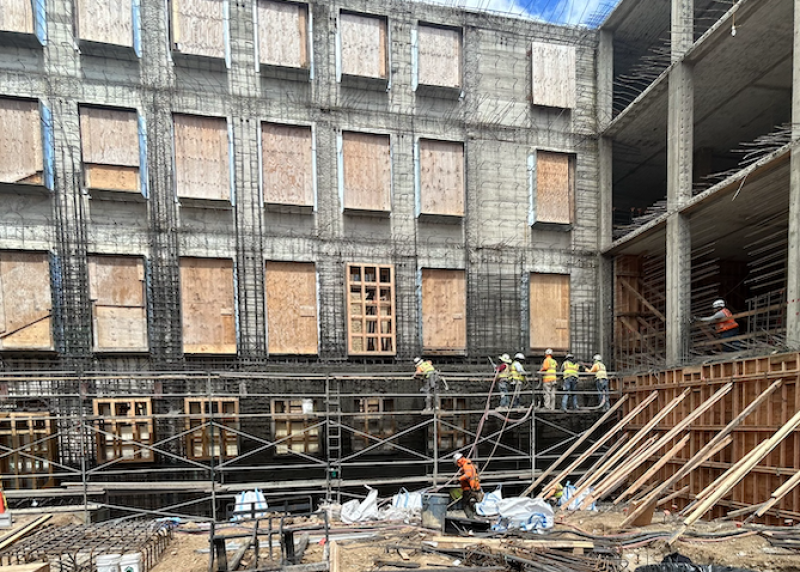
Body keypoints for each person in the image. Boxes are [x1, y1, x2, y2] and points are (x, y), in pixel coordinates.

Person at [452, 452, 483, 518]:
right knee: (472, 505)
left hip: (469, 489)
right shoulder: (470, 464)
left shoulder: (466, 465)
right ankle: (475, 517)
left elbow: (468, 475)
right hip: (475, 488)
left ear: (458, 461)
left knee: (466, 505)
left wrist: (458, 479)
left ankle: (472, 519)